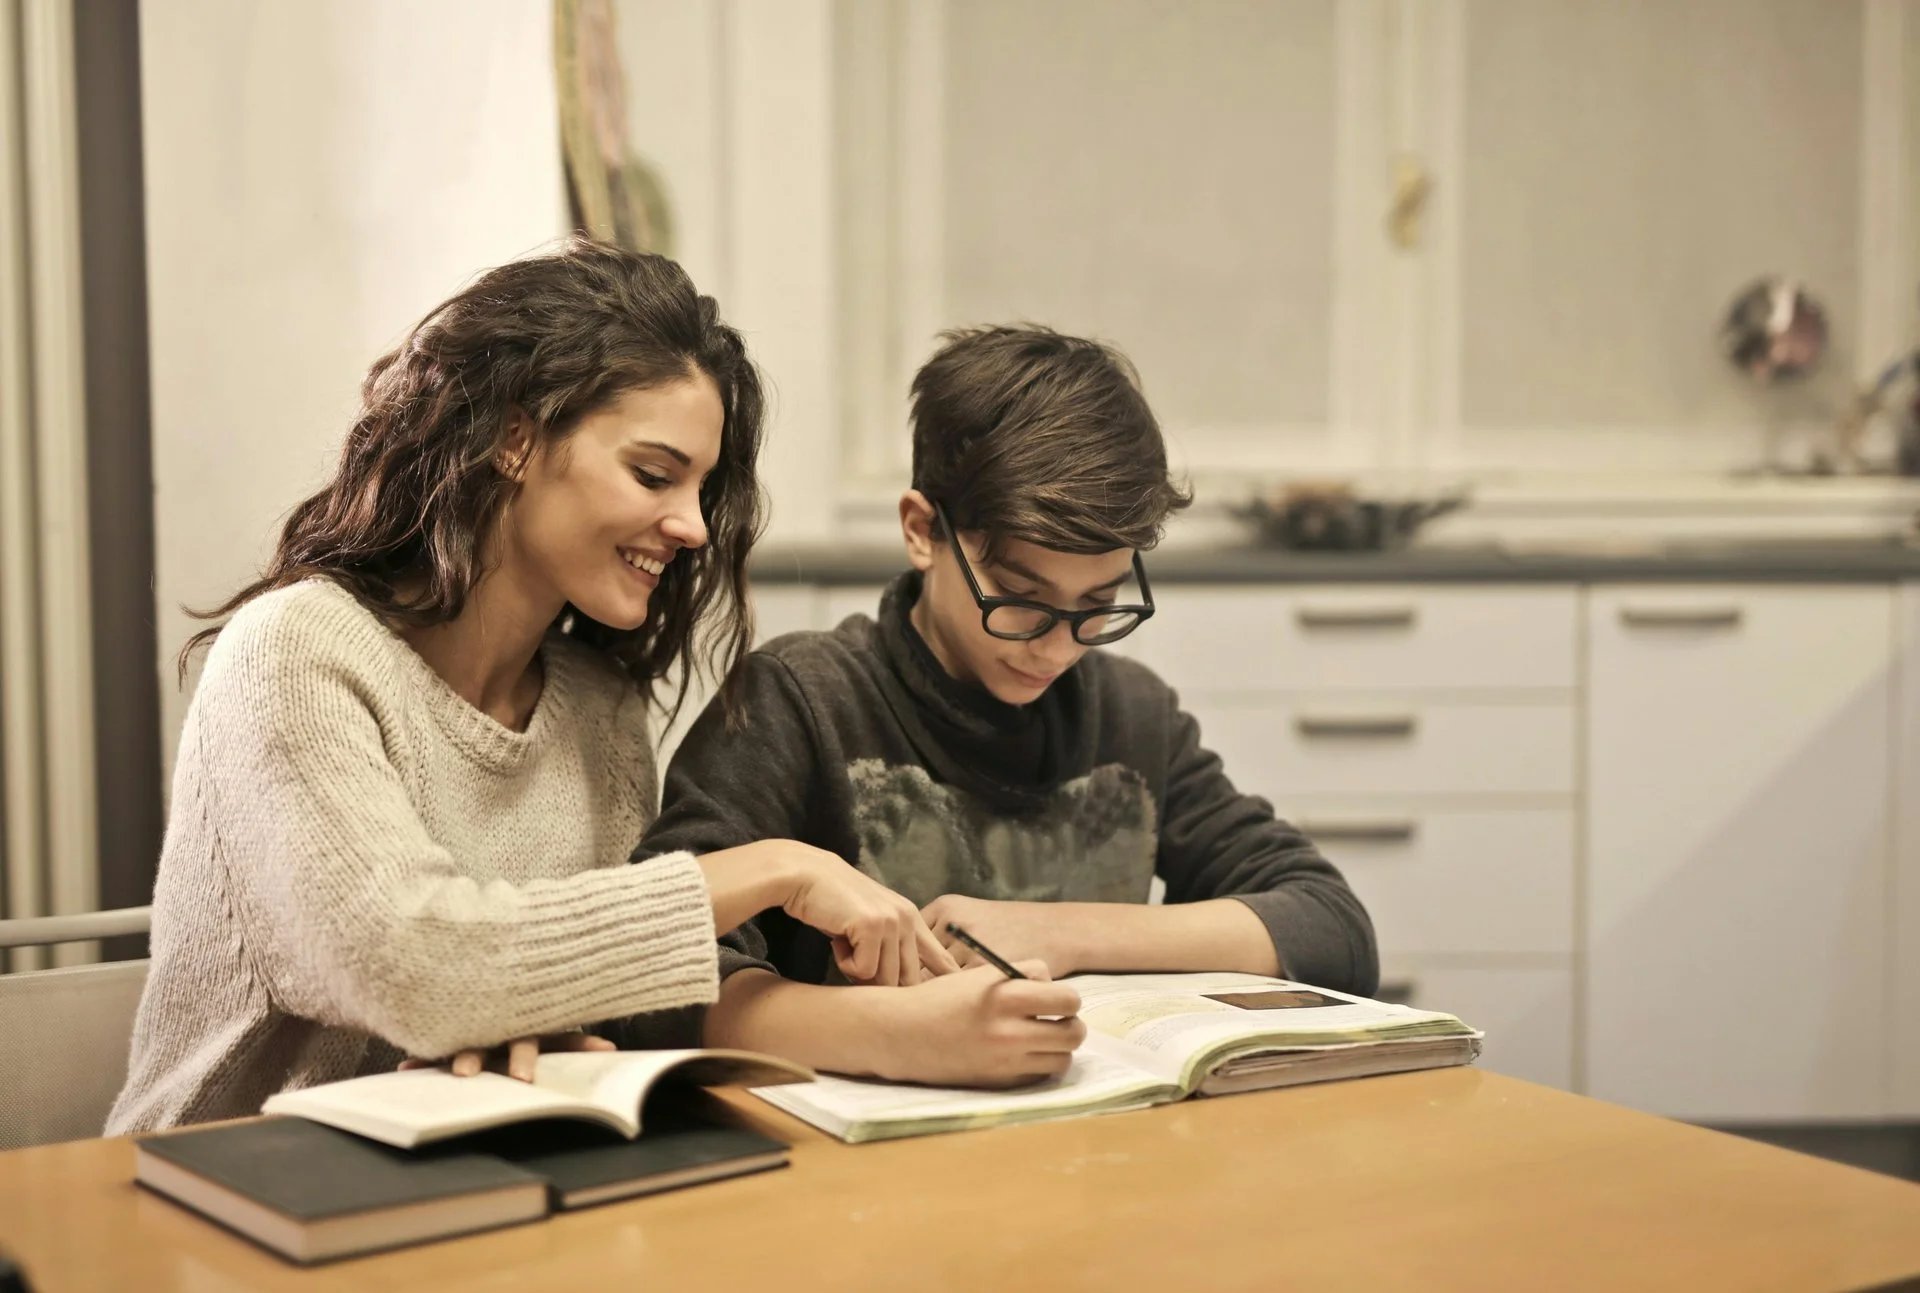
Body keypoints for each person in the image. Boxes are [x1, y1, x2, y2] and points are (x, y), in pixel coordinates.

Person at [109, 240, 953, 1134]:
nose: (693, 527)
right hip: (215, 1198)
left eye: (704, 488)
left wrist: (531, 1030)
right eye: (656, 474)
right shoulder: (295, 654)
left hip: (474, 1188)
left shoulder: (599, 710)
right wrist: (774, 867)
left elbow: (556, 1000)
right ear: (516, 437)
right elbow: (417, 967)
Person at [638, 325, 1378, 1087]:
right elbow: (645, 973)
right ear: (922, 530)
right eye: (1021, 602)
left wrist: (1058, 931)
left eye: (1098, 603)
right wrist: (891, 1033)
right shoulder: (799, 702)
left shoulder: (1131, 714)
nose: (1056, 649)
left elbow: (1330, 925)